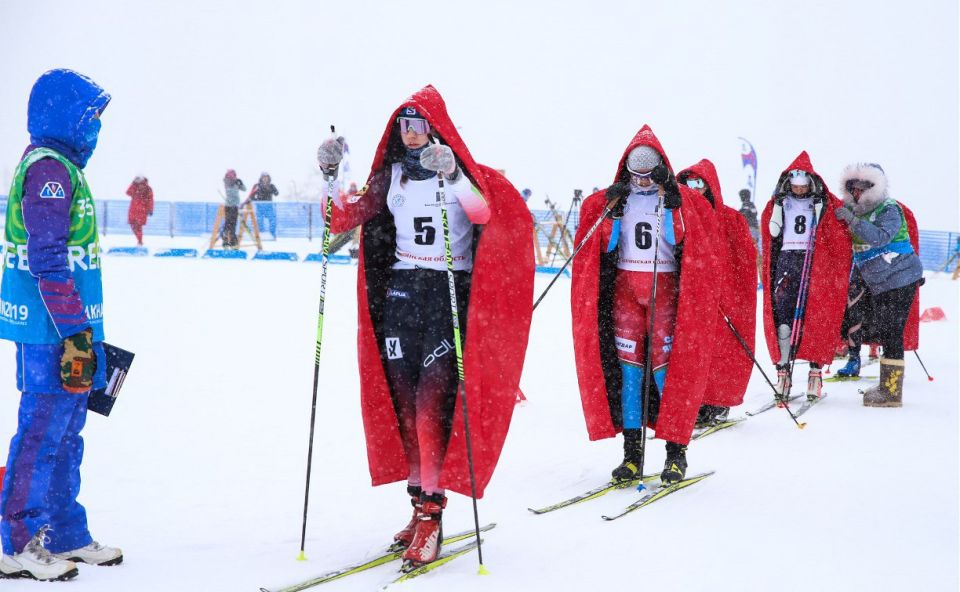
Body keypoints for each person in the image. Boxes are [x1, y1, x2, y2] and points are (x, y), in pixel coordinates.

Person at [315, 86, 533, 568]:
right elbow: (341, 219)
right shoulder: (390, 175)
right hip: (400, 293)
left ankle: (433, 516)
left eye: (417, 126)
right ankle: (418, 507)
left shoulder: (454, 171)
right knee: (403, 405)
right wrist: (331, 175)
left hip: (444, 293)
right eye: (403, 127)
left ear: (434, 128)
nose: (410, 136)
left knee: (430, 405)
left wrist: (452, 172)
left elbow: (482, 213)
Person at [0, 69, 122, 582]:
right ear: (65, 117)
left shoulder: (64, 168)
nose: (95, 127)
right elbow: (47, 258)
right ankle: (18, 540)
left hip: (72, 331)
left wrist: (84, 331)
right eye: (90, 117)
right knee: (43, 433)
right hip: (53, 333)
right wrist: (74, 332)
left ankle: (66, 530)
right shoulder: (48, 170)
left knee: (68, 433)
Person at [571, 125, 720, 486]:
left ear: (661, 171)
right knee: (631, 373)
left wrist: (671, 205)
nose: (640, 183)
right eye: (634, 176)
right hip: (626, 290)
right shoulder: (616, 198)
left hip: (664, 288)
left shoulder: (678, 198)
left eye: (648, 176)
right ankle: (632, 455)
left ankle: (675, 454)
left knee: (666, 372)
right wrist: (614, 212)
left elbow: (676, 239)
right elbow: (605, 248)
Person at [760, 152, 851, 403]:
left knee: (816, 316)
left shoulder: (824, 201)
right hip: (788, 259)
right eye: (795, 186)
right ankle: (783, 371)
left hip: (814, 260)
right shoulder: (779, 202)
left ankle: (815, 372)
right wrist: (778, 205)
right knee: (783, 316)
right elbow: (772, 230)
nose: (799, 191)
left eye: (803, 186)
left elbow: (836, 230)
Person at [834, 163, 922, 406]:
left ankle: (891, 391)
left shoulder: (888, 208)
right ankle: (887, 384)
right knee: (886, 330)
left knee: (892, 332)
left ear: (875, 187)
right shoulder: (857, 210)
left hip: (900, 276)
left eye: (863, 188)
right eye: (853, 188)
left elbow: (881, 237)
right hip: (882, 281)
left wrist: (852, 221)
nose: (857, 193)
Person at [677, 161, 757, 426]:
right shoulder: (679, 217)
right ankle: (697, 401)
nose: (693, 190)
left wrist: (729, 291)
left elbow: (743, 261)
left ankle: (720, 401)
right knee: (693, 351)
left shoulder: (730, 218)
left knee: (724, 350)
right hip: (691, 297)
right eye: (687, 184)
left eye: (698, 184)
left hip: (724, 297)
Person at [247, 171, 278, 238]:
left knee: (272, 220)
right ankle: (261, 235)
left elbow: (276, 193)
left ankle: (272, 235)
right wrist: (257, 201)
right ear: (261, 178)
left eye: (266, 177)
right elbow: (251, 196)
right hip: (260, 207)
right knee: (260, 222)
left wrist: (272, 189)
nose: (265, 179)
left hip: (269, 207)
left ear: (269, 178)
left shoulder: (271, 186)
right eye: (263, 177)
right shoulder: (257, 186)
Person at [125, 175, 153, 246]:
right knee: (134, 226)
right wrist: (133, 183)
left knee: (137, 226)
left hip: (139, 209)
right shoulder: (136, 187)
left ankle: (140, 241)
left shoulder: (147, 188)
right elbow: (128, 192)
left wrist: (150, 209)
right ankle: (140, 241)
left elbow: (150, 199)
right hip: (135, 209)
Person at [221, 169, 245, 248]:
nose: (232, 177)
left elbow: (244, 189)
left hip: (233, 206)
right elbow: (233, 193)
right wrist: (237, 184)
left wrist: (240, 183)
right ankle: (229, 240)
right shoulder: (228, 182)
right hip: (230, 206)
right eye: (232, 176)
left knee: (231, 224)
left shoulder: (235, 182)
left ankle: (229, 240)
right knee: (230, 224)